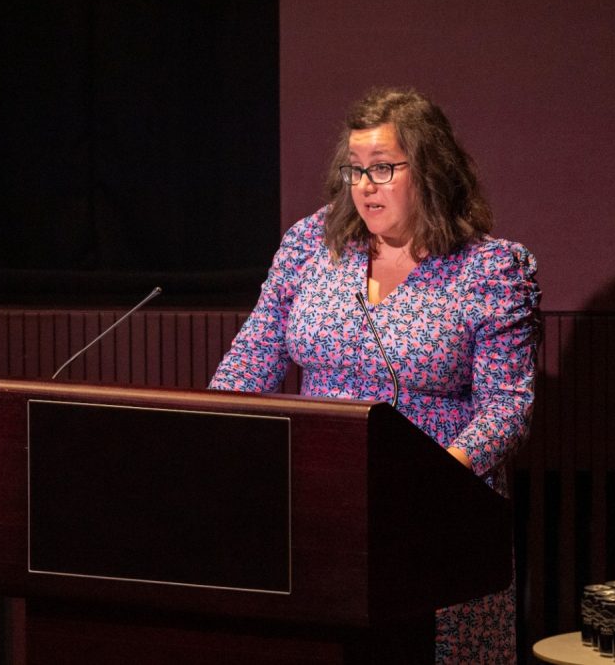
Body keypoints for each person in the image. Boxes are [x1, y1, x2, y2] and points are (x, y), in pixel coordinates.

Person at [210, 86, 540, 664]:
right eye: (354, 170)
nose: (365, 185)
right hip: (321, 506)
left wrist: (432, 478)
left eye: (383, 168)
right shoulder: (312, 244)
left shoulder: (489, 269)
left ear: (430, 171)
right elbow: (251, 359)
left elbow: (508, 405)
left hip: (435, 514)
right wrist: (211, 434)